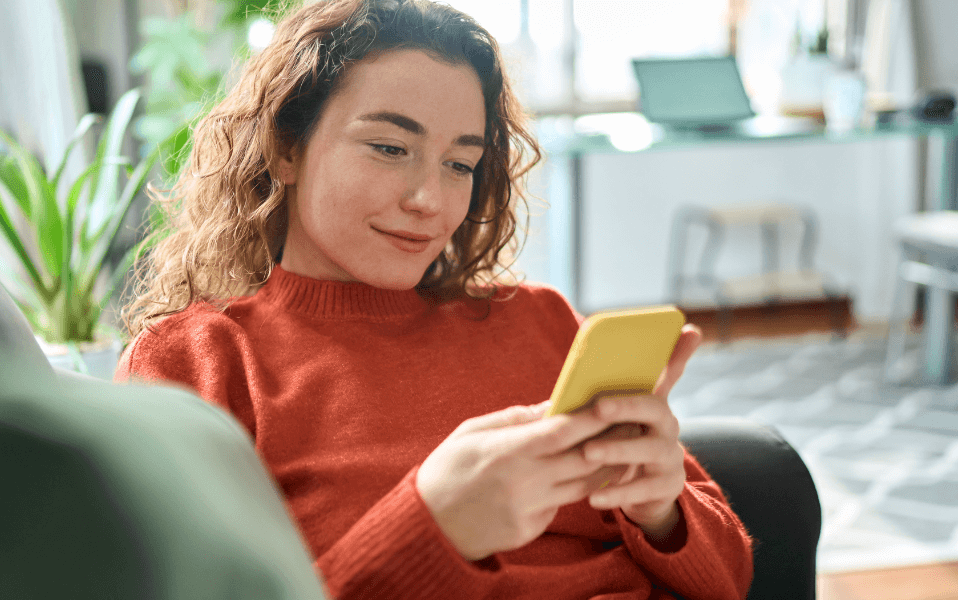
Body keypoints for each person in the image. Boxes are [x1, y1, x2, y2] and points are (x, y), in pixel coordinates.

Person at [116, 0, 753, 598]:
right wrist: (431, 528)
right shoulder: (197, 363)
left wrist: (661, 511)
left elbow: (733, 575)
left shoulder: (542, 320)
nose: (429, 200)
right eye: (390, 149)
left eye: (460, 165)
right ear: (286, 148)